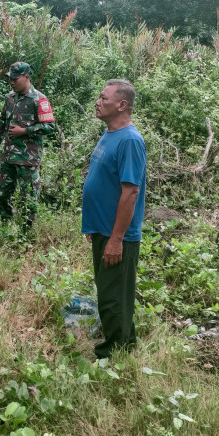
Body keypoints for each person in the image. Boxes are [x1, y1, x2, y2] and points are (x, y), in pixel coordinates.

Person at [81, 79, 146, 358]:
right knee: (110, 291)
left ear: (121, 105)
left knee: (114, 296)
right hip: (103, 229)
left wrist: (116, 239)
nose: (98, 101)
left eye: (104, 98)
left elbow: (130, 193)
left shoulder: (130, 141)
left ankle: (114, 353)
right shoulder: (110, 134)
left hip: (116, 234)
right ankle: (123, 339)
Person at [0, 61, 56, 229]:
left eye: (15, 79)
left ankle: (25, 233)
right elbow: (2, 122)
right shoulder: (9, 98)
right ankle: (5, 225)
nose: (11, 82)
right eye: (9, 79)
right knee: (2, 193)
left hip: (28, 159)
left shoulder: (39, 99)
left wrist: (24, 131)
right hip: (9, 157)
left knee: (28, 197)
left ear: (26, 77)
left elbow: (49, 126)